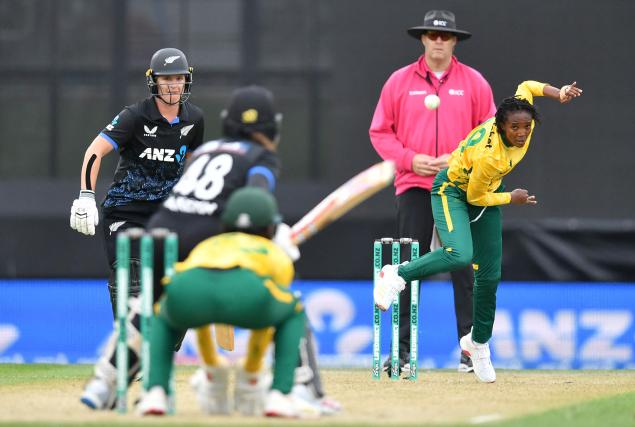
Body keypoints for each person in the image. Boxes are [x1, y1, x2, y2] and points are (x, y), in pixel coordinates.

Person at [80, 86, 339, 416]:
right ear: (273, 126)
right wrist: (274, 230)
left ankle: (107, 383)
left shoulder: (208, 149)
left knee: (151, 309)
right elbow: (255, 199)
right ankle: (299, 391)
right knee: (286, 310)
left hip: (162, 230)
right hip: (204, 240)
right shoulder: (262, 157)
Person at [374, 80, 583, 383]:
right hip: (453, 192)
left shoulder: (521, 117)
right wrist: (512, 198)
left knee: (490, 275)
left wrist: (558, 93)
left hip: (485, 191)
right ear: (500, 126)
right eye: (515, 128)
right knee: (460, 255)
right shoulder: (490, 155)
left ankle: (477, 343)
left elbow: (526, 86)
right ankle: (396, 274)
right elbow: (474, 197)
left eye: (526, 126)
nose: (522, 133)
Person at [369, 9, 496, 374]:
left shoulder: (474, 83)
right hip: (414, 185)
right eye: (432, 35)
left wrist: (459, 161)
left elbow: (489, 136)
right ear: (422, 39)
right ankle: (404, 354)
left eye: (445, 36)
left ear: (454, 41)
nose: (438, 41)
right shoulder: (398, 81)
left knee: (465, 267)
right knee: (409, 267)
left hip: (459, 189)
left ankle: (471, 352)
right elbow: (380, 132)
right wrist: (411, 159)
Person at [136, 187, 321, 418]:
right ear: (270, 227)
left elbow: (197, 281)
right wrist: (252, 369)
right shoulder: (272, 251)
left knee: (163, 315)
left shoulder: (208, 243)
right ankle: (280, 396)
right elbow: (272, 300)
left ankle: (155, 392)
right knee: (293, 310)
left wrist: (212, 364)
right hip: (246, 291)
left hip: (187, 287)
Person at [69, 47, 205, 316]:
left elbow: (192, 166)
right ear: (154, 80)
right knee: (131, 281)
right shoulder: (135, 116)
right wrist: (86, 195)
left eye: (178, 78)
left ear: (186, 79)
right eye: (166, 79)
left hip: (166, 215)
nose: (173, 85)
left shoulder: (195, 119)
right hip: (126, 210)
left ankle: (163, 345)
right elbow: (95, 151)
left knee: (177, 286)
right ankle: (130, 348)